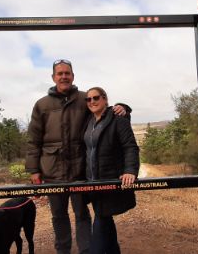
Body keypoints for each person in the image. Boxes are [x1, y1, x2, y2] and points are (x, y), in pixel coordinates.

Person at [25, 59, 127, 254]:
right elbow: (33, 140)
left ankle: (86, 250)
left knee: (82, 214)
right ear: (53, 77)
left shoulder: (84, 99)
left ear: (73, 76)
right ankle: (63, 250)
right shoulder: (41, 105)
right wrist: (34, 170)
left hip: (80, 170)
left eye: (67, 73)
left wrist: (122, 107)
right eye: (60, 73)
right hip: (52, 172)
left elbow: (103, 109)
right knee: (58, 215)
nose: (64, 76)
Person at [83, 87, 139, 254]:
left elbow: (130, 147)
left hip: (109, 181)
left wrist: (130, 170)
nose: (92, 101)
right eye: (89, 99)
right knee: (104, 219)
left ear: (105, 99)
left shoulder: (117, 118)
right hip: (93, 183)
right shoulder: (89, 121)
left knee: (101, 221)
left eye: (96, 98)